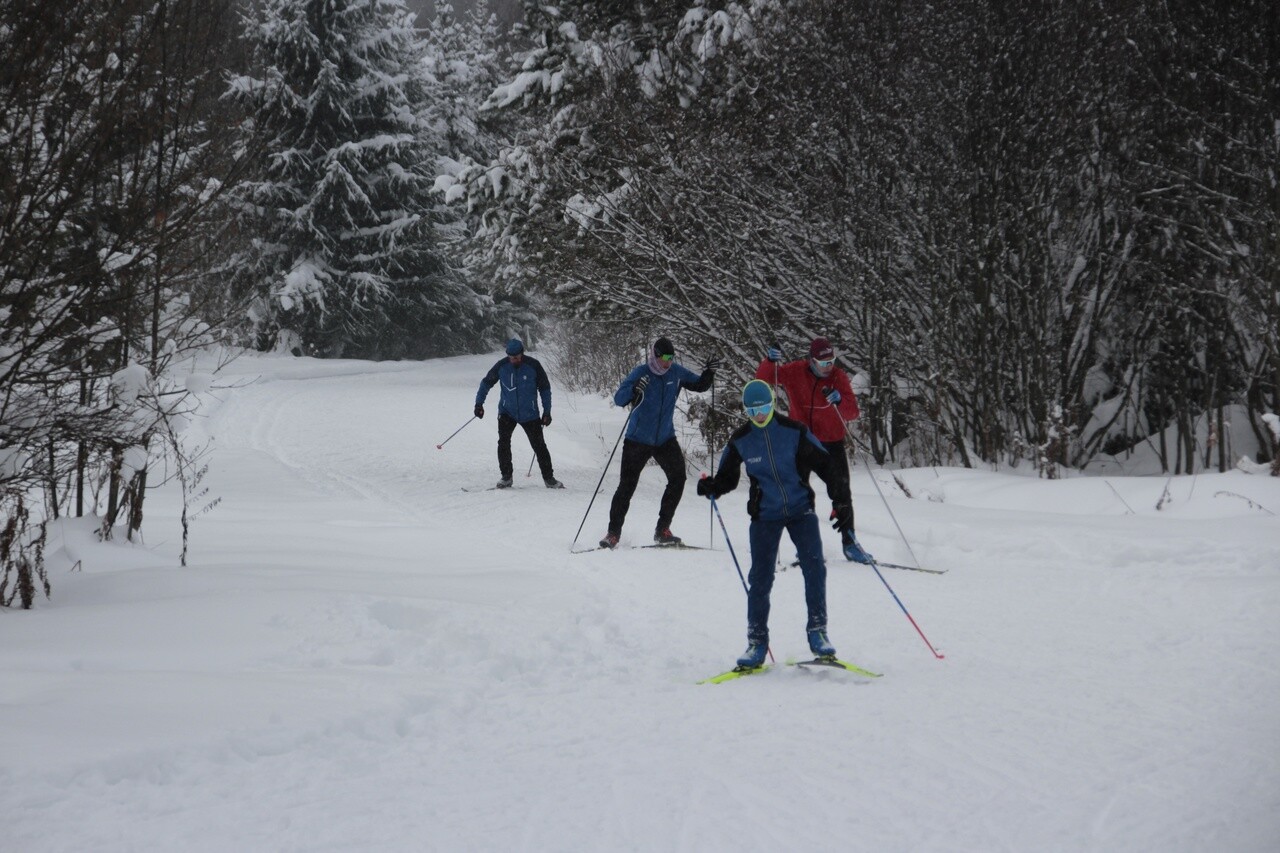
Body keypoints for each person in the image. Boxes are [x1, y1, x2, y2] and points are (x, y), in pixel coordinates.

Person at [696, 379, 853, 668]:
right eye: (752, 409)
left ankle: (818, 632)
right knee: (760, 578)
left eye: (764, 406)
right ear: (746, 410)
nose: (759, 414)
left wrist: (841, 502)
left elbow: (828, 467)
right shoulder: (741, 439)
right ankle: (756, 642)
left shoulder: (793, 432)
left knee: (814, 565)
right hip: (765, 515)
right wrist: (712, 487)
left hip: (799, 509)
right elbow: (728, 478)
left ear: (772, 403)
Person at [755, 336, 873, 563]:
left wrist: (840, 401)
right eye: (823, 363)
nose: (828, 367)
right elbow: (764, 378)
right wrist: (770, 360)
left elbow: (852, 412)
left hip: (831, 444)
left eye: (831, 361)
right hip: (801, 442)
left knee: (842, 493)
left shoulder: (838, 378)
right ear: (811, 361)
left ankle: (850, 544)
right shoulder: (796, 371)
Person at [599, 337, 720, 549]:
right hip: (637, 439)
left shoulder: (675, 372)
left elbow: (700, 385)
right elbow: (619, 399)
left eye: (672, 357)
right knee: (627, 486)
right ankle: (613, 534)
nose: (669, 361)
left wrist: (709, 373)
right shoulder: (641, 373)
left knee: (678, 478)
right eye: (665, 357)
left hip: (664, 438)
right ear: (655, 356)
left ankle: (662, 529)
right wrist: (635, 390)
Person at [474, 338, 563, 489]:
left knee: (539, 446)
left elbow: (545, 389)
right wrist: (479, 404)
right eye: (511, 357)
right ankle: (506, 477)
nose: (514, 359)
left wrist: (547, 411)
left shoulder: (533, 366)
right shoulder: (502, 366)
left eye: (516, 357)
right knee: (503, 443)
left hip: (530, 414)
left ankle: (549, 479)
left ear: (522, 353)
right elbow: (486, 383)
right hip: (507, 412)